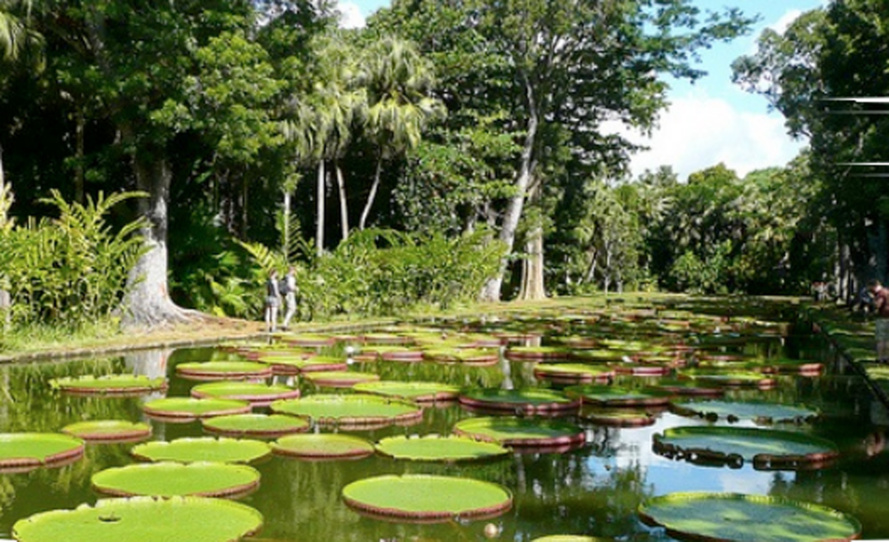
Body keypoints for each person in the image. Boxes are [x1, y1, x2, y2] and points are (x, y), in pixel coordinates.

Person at [868, 279, 889, 362]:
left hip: (883, 318)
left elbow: (877, 305)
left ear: (874, 286)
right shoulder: (887, 291)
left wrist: (872, 301)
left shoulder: (880, 294)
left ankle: (880, 358)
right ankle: (887, 358)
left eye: (870, 288)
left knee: (881, 338)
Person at [281, 266, 298, 330]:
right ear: (292, 271)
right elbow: (290, 286)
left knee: (289, 308)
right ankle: (285, 323)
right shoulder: (291, 278)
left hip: (286, 294)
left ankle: (286, 323)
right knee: (292, 309)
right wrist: (295, 288)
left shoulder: (285, 277)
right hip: (290, 294)